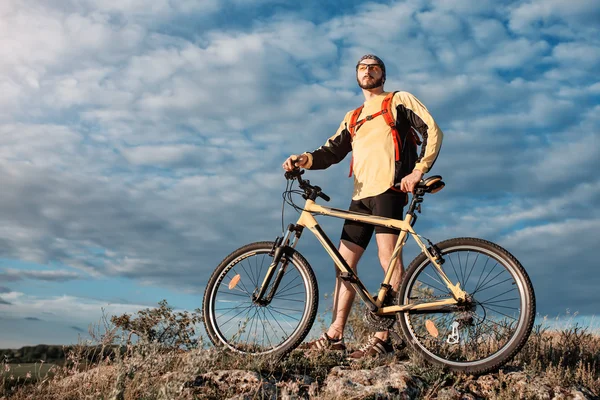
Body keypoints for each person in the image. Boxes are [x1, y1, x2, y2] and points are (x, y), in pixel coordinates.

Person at [282, 54, 443, 358]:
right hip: (360, 197)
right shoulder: (353, 116)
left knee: (388, 259)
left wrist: (418, 170)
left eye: (374, 67)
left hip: (389, 189)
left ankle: (384, 338)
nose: (368, 71)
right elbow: (330, 152)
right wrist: (302, 159)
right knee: (344, 264)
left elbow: (433, 130)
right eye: (362, 67)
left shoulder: (398, 100)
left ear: (383, 74)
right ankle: (334, 336)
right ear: (356, 75)